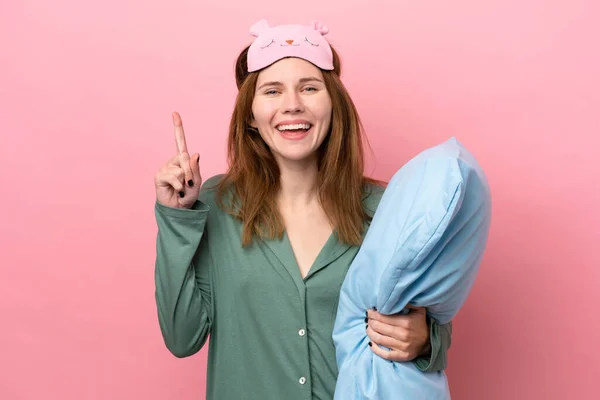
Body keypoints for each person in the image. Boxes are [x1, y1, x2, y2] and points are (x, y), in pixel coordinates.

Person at [153, 19, 452, 400]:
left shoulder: (387, 210)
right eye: (272, 91)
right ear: (250, 114)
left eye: (309, 88)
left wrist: (426, 340)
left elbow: (424, 322)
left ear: (334, 105)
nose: (292, 105)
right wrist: (176, 218)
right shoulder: (214, 205)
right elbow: (182, 337)